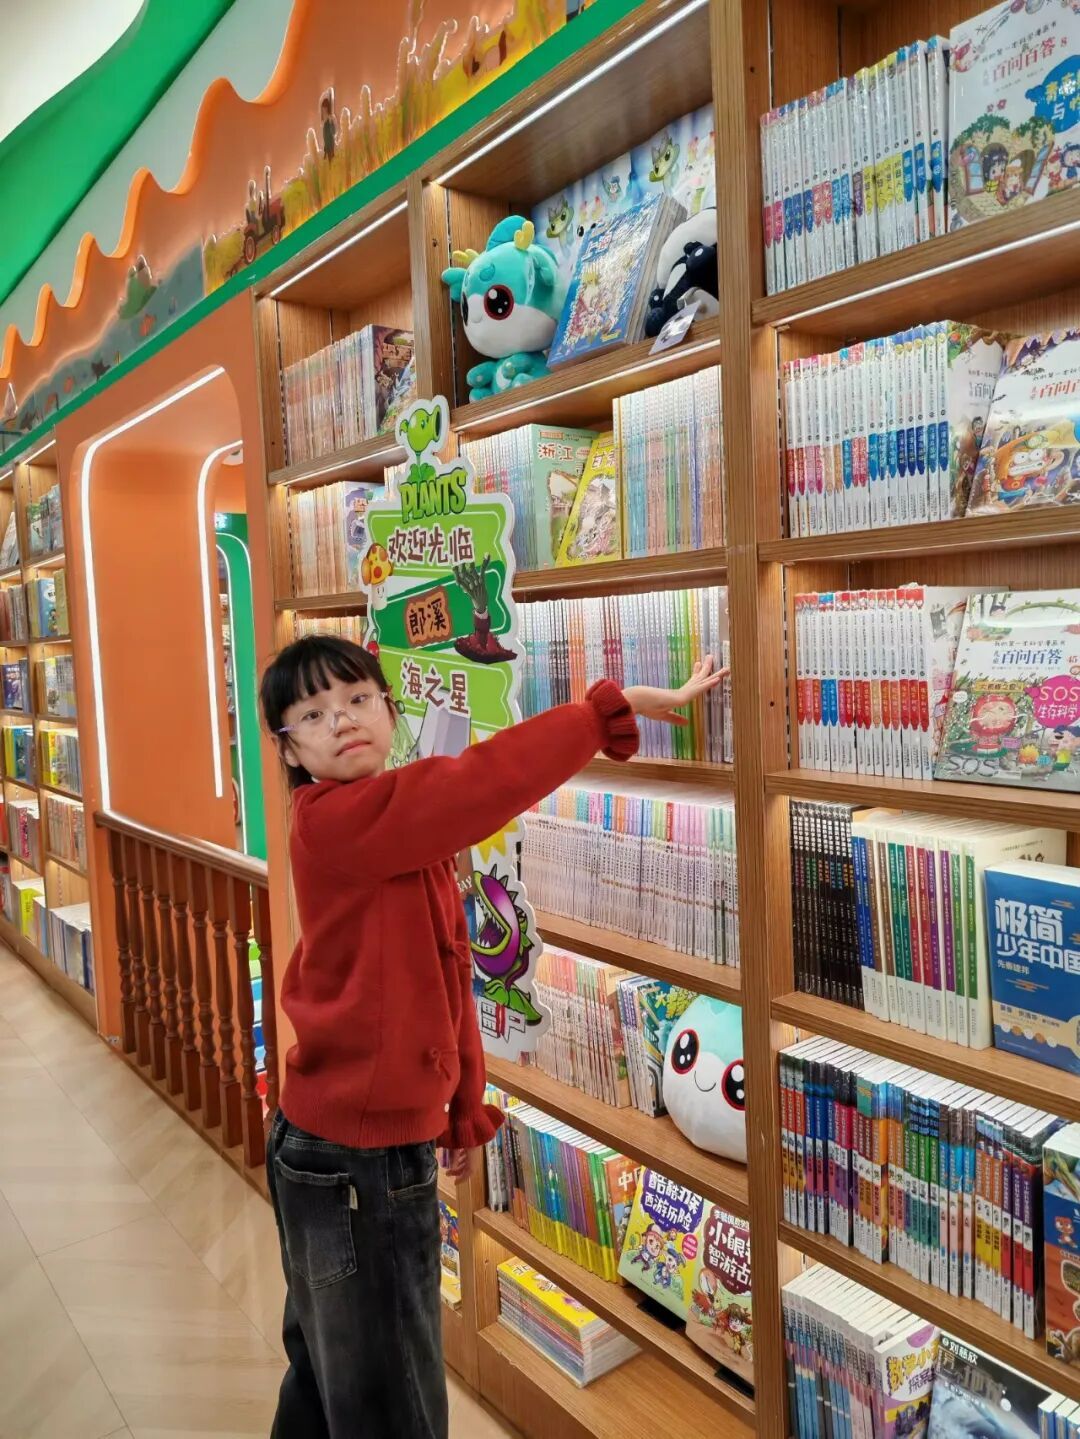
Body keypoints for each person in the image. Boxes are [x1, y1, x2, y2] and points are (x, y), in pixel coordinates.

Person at [259, 633, 724, 1438]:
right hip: (352, 1161)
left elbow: (447, 970)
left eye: (358, 698)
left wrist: (462, 1106)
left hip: (345, 1147)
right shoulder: (337, 820)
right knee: (388, 1402)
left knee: (329, 1382)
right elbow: (475, 783)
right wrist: (596, 716)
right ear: (289, 750)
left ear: (389, 710)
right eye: (313, 713)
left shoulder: (398, 829)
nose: (342, 719)